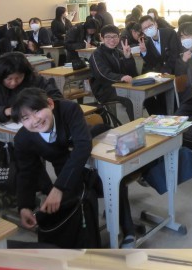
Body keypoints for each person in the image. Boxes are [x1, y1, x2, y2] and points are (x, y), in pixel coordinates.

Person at [11, 87, 137, 248]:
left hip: (93, 158)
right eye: (26, 118)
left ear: (50, 104)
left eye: (37, 111)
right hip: (67, 172)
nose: (34, 120)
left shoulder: (68, 109)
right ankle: (89, 242)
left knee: (112, 179)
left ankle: (128, 230)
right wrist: (24, 206)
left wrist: (59, 188)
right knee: (81, 199)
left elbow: (83, 146)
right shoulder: (23, 139)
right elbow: (26, 173)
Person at [0, 52, 62, 198]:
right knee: (2, 158)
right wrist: (4, 111)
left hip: (33, 130)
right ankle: (16, 190)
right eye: (9, 79)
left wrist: (35, 108)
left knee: (36, 150)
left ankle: (47, 191)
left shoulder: (35, 81)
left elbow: (56, 98)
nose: (14, 83)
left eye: (18, 77)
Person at [89, 24, 137, 122]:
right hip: (104, 90)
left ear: (119, 37)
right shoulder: (97, 54)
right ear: (101, 38)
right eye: (108, 37)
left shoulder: (118, 52)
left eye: (115, 36)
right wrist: (120, 78)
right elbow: (102, 74)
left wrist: (128, 58)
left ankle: (153, 123)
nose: (112, 39)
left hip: (121, 86)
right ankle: (136, 125)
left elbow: (133, 74)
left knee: (144, 95)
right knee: (131, 98)